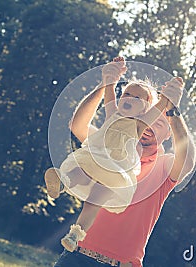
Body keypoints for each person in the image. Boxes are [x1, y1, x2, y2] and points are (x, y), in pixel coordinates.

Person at [45, 57, 185, 253]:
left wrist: (168, 102)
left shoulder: (139, 127)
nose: (129, 98)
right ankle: (63, 182)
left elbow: (159, 111)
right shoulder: (112, 116)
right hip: (96, 160)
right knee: (78, 172)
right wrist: (109, 80)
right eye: (127, 93)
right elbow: (107, 97)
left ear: (145, 109)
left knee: (94, 201)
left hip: (115, 172)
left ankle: (75, 234)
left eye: (137, 98)